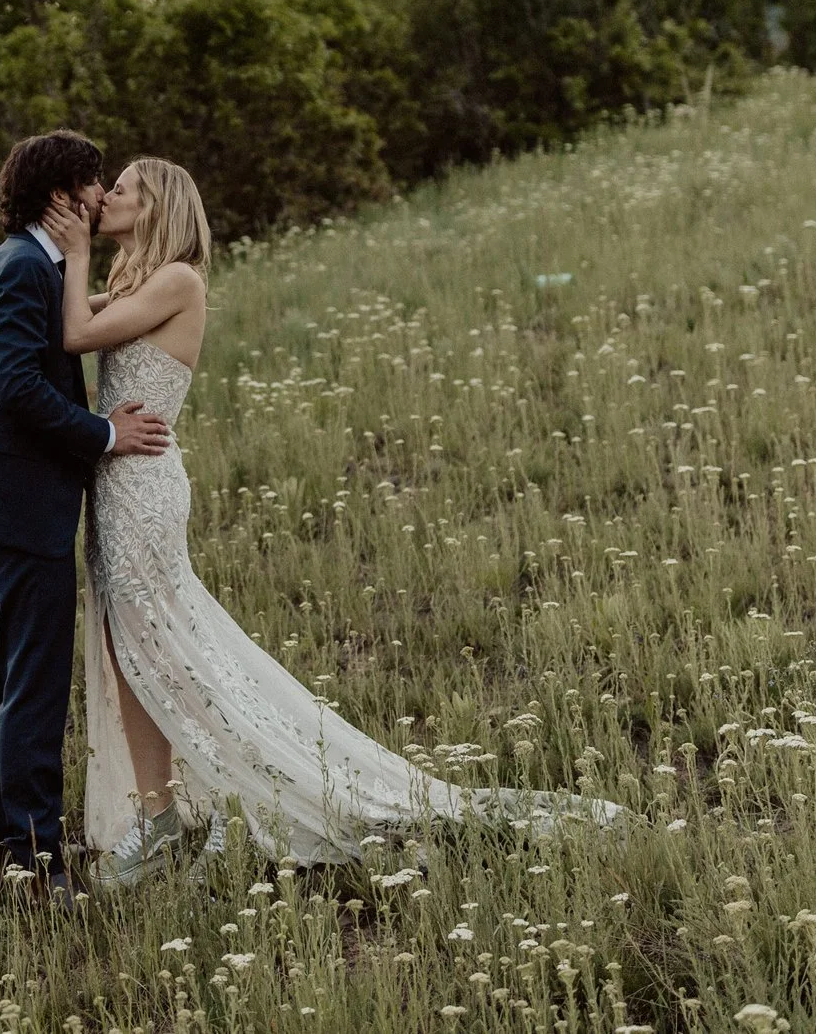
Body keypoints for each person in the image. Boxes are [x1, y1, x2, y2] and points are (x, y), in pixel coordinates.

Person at [41, 157, 626, 889]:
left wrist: (75, 253)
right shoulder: (137, 281)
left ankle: (215, 798)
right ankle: (159, 816)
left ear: (157, 206)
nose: (107, 198)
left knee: (163, 646)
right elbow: (79, 319)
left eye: (122, 189)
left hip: (144, 485)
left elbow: (72, 336)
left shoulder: (179, 278)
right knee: (130, 647)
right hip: (116, 482)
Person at [0, 130, 172, 900]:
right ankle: (36, 859)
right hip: (24, 501)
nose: (101, 193)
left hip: (10, 499)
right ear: (60, 195)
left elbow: (58, 332)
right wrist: (109, 434)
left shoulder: (26, 263)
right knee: (29, 685)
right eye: (92, 182)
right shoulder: (21, 269)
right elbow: (19, 390)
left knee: (1, 672)